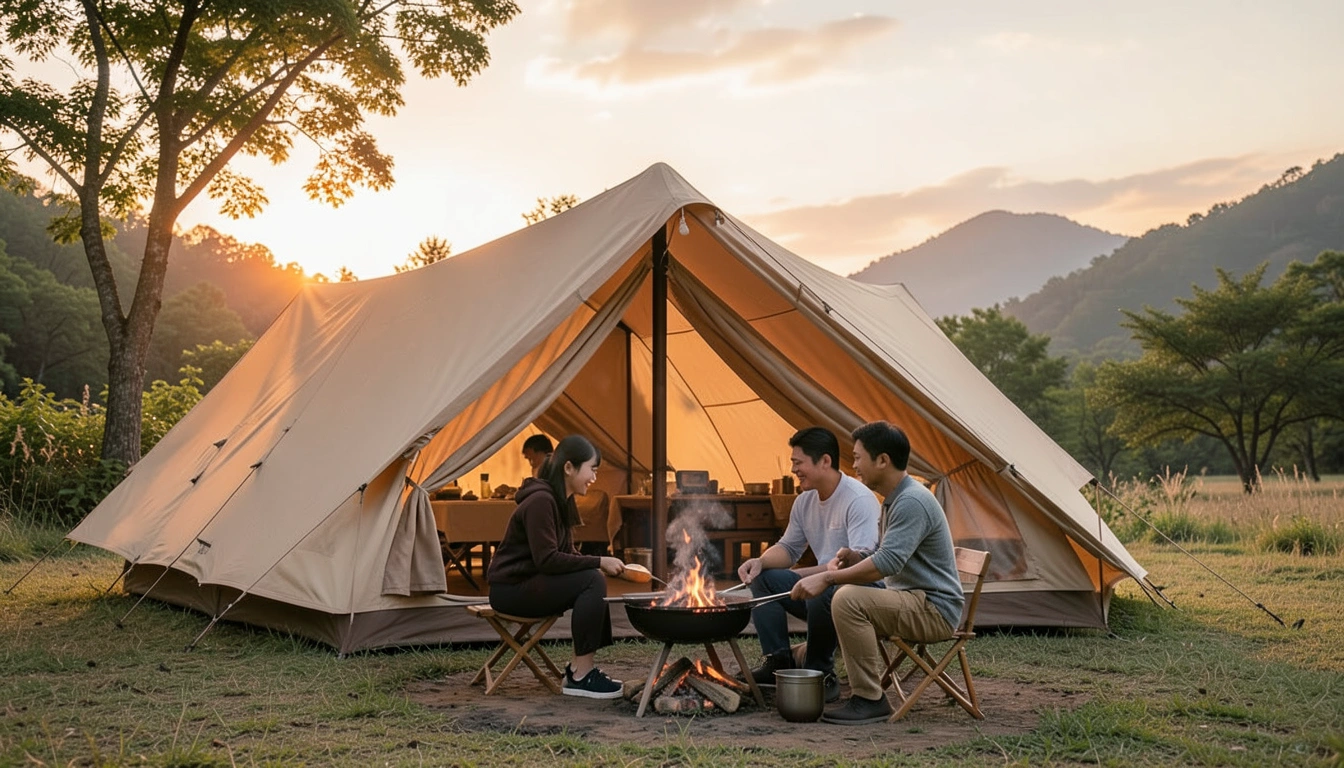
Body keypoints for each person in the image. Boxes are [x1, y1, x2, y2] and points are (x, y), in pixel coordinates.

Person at [791, 421, 963, 725]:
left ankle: (869, 699)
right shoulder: (897, 498)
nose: (854, 465)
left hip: (933, 610)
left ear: (882, 460)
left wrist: (827, 577)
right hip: (912, 599)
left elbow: (889, 563)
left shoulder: (911, 501)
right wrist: (858, 556)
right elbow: (886, 554)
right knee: (845, 596)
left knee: (846, 599)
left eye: (858, 457)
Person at [737, 426, 880, 702]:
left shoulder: (858, 499)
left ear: (824, 461)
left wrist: (810, 576)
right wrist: (760, 561)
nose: (794, 470)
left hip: (857, 592)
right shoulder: (805, 501)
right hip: (823, 588)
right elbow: (789, 548)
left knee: (825, 590)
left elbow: (859, 562)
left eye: (798, 463)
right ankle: (778, 662)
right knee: (763, 577)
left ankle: (821, 674)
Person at [487, 434, 627, 698]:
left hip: (529, 583)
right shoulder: (541, 501)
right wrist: (599, 561)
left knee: (591, 577)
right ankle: (581, 676)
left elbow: (566, 553)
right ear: (569, 468)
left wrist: (606, 565)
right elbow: (547, 559)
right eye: (591, 470)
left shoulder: (560, 501)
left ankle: (578, 670)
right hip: (510, 590)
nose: (594, 478)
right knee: (592, 579)